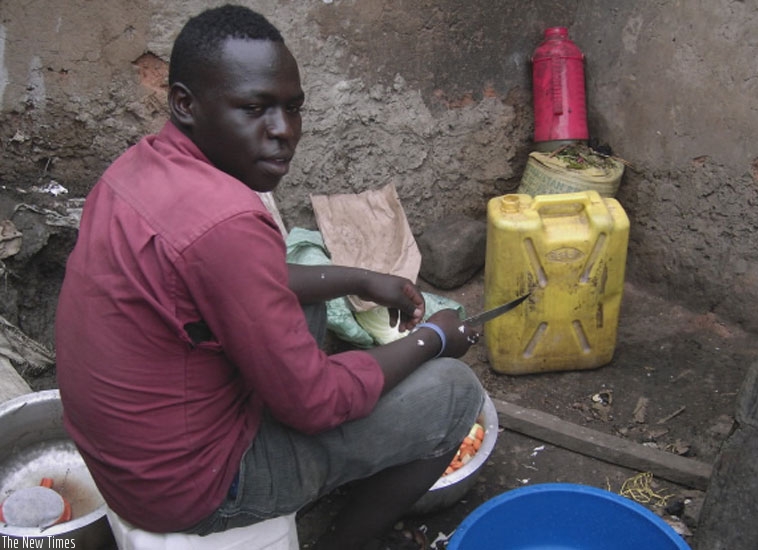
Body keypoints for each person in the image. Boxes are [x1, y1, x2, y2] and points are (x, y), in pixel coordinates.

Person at [54, 4, 485, 550]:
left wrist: (359, 277)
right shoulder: (228, 219)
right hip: (193, 487)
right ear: (185, 103)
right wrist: (435, 338)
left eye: (292, 108)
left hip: (128, 454)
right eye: (254, 108)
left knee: (306, 299)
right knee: (453, 392)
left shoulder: (137, 170)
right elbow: (316, 404)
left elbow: (246, 282)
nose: (283, 132)